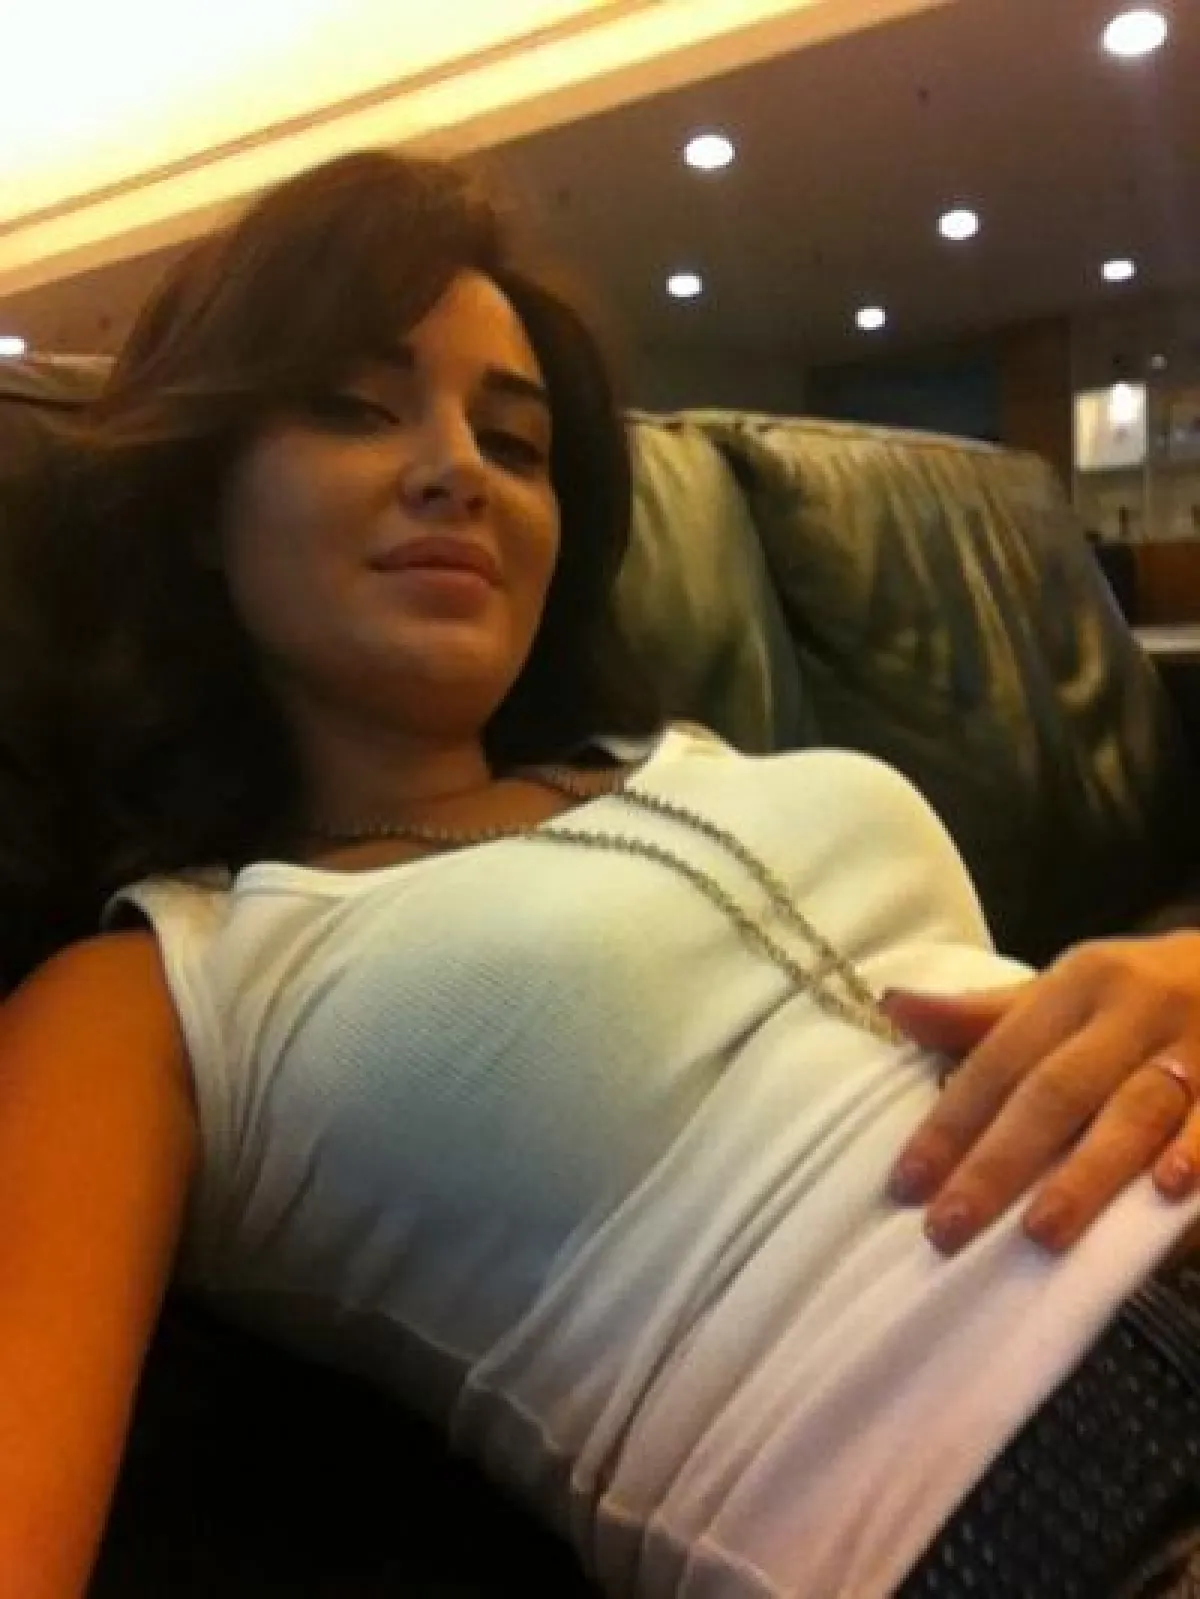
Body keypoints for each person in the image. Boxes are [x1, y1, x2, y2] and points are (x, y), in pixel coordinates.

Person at [5, 149, 1200, 1599]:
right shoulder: (160, 989)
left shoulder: (687, 751)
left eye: (515, 445)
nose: (458, 469)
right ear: (200, 503)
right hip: (1061, 1512)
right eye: (356, 407)